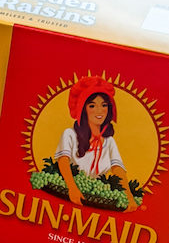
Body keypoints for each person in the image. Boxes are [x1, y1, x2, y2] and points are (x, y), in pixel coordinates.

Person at [55, 76, 137, 211]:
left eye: (103, 105)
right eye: (92, 105)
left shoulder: (109, 142)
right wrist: (72, 189)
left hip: (94, 203)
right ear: (83, 109)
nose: (99, 111)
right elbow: (63, 160)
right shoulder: (69, 134)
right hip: (69, 201)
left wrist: (129, 197)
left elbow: (118, 169)